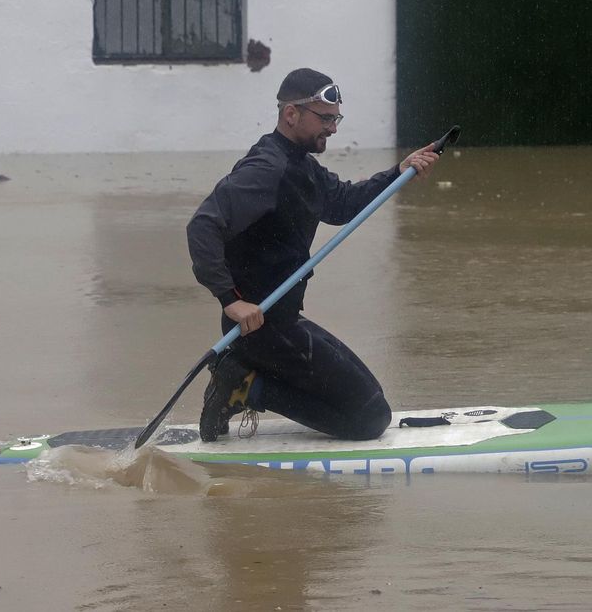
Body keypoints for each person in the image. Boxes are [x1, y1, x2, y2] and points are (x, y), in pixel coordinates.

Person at [186, 68, 440, 442]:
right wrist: (230, 300)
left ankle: (244, 375)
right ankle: (246, 385)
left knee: (373, 402)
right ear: (291, 114)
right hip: (256, 327)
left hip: (284, 322)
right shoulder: (266, 169)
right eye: (325, 118)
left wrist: (397, 173)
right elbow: (203, 226)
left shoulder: (301, 167)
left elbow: (342, 205)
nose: (333, 129)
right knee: (369, 420)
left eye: (335, 118)